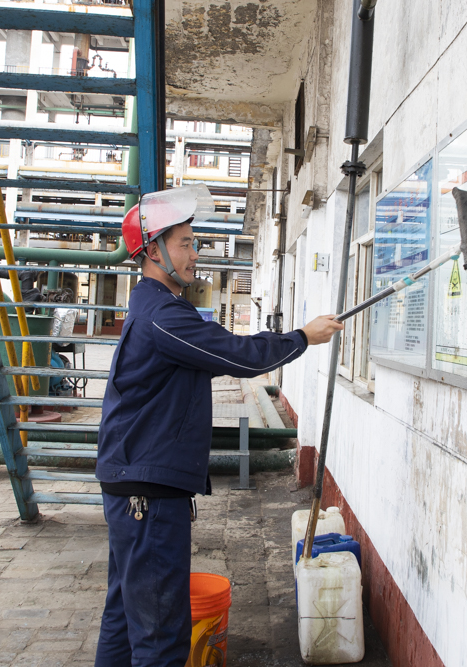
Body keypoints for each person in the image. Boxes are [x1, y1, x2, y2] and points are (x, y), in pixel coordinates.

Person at [94, 185, 343, 667]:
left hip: (134, 484)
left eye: (194, 243)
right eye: (185, 244)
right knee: (160, 635)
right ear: (154, 251)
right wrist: (301, 337)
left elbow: (210, 357)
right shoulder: (163, 315)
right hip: (149, 493)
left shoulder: (156, 309)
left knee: (125, 619)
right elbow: (238, 355)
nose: (195, 254)